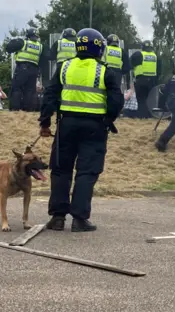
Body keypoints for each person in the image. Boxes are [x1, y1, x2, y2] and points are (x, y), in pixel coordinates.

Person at [38, 28, 124, 232]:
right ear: (99, 48)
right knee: (86, 171)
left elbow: (50, 95)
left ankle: (57, 218)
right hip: (94, 127)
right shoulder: (104, 71)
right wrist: (108, 119)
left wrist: (45, 123)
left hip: (66, 125)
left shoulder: (64, 67)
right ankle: (79, 219)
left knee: (60, 170)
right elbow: (116, 101)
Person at [5, 27, 45, 112]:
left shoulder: (23, 42)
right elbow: (42, 60)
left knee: (17, 88)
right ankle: (29, 109)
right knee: (30, 90)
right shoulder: (40, 46)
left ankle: (15, 109)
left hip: (23, 68)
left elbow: (8, 48)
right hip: (34, 70)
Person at [130, 40, 160, 118]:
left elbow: (130, 63)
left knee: (141, 99)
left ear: (142, 47)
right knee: (151, 100)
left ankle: (142, 116)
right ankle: (151, 116)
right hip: (152, 81)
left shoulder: (138, 54)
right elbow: (159, 69)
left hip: (141, 80)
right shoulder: (155, 56)